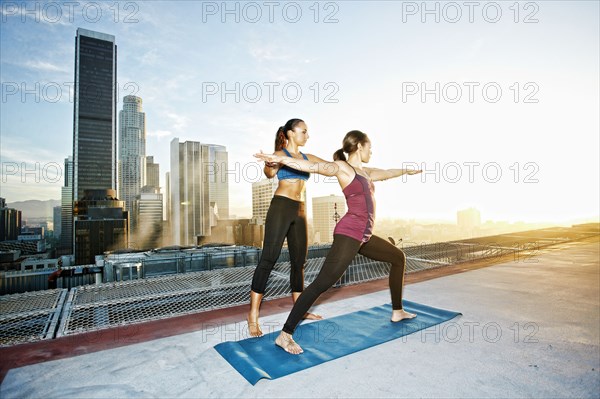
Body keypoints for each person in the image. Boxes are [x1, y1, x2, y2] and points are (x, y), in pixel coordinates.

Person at [254, 130, 422, 354]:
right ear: (360, 146)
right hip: (349, 233)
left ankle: (397, 310)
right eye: (369, 147)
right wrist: (281, 159)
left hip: (365, 235)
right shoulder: (344, 168)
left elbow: (387, 172)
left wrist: (406, 171)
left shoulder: (366, 172)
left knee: (397, 257)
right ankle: (285, 335)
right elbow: (313, 167)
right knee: (322, 283)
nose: (372, 151)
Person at [247, 118, 327, 337]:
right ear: (291, 133)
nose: (307, 135)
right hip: (281, 206)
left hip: (300, 210)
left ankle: (299, 309)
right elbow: (270, 173)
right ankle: (253, 315)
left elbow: (328, 166)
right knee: (269, 259)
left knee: (299, 261)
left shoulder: (306, 158)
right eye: (303, 131)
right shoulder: (281, 155)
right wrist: (270, 163)